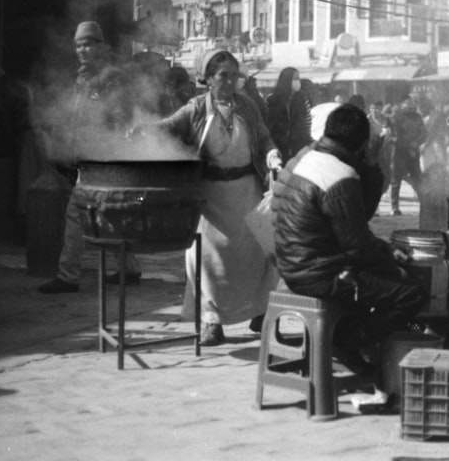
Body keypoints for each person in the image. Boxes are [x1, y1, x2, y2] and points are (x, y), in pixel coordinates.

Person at [271, 103, 428, 400]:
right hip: (320, 273)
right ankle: (346, 339)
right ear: (361, 144)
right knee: (410, 293)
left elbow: (349, 236)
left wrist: (382, 251)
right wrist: (390, 264)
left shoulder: (310, 158)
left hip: (292, 264)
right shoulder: (340, 176)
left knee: (379, 281)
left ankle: (353, 341)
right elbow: (356, 246)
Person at [146, 50, 282, 345]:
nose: (231, 81)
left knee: (258, 253)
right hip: (210, 196)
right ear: (208, 79)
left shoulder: (248, 106)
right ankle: (211, 321)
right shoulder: (195, 108)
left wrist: (272, 154)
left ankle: (260, 312)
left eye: (234, 75)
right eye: (223, 75)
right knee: (204, 259)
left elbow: (263, 137)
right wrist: (142, 129)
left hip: (247, 190)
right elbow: (169, 126)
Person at [38, 21, 141, 294]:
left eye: (87, 44)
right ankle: (129, 268)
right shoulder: (82, 77)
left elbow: (123, 117)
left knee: (76, 213)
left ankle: (68, 275)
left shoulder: (111, 77)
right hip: (91, 157)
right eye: (78, 45)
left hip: (104, 157)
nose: (82, 49)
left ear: (100, 45)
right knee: (110, 213)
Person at [266, 67, 313, 163]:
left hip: (299, 147)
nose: (298, 82)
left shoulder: (303, 100)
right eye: (295, 79)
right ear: (286, 80)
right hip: (279, 148)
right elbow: (267, 125)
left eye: (298, 79)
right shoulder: (272, 100)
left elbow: (307, 124)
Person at [390, 97, 426, 216]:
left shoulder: (417, 117)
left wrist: (417, 143)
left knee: (418, 179)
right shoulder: (397, 117)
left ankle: (424, 204)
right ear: (402, 104)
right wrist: (407, 146)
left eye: (412, 104)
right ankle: (394, 207)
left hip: (414, 153)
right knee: (396, 180)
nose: (410, 106)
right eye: (408, 104)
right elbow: (395, 136)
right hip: (400, 153)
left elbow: (424, 133)